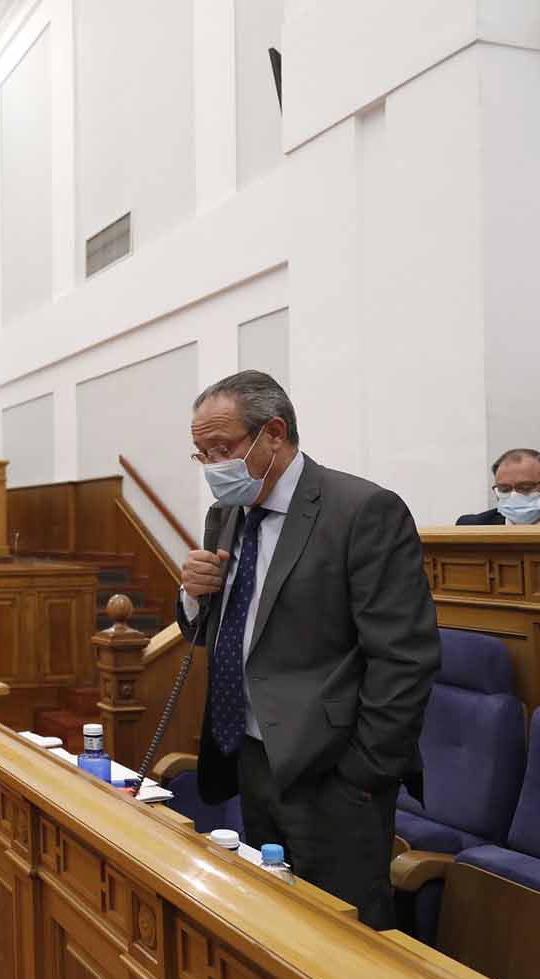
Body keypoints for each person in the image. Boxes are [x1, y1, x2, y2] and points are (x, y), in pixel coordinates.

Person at [177, 370, 439, 930]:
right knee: (275, 923)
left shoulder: (362, 509)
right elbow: (229, 624)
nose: (214, 468)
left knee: (346, 935)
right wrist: (193, 596)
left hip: (332, 771)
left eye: (223, 449)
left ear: (274, 433)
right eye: (203, 455)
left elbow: (403, 657)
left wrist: (363, 774)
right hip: (248, 753)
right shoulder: (225, 515)